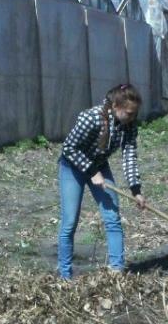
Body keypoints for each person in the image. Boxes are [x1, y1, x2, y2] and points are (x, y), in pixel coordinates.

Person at [57, 83, 147, 279]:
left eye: (134, 113)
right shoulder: (91, 118)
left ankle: (117, 271)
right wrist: (91, 172)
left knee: (112, 218)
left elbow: (129, 155)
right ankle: (65, 276)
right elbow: (69, 148)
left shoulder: (129, 124)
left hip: (98, 166)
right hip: (72, 167)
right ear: (115, 106)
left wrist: (135, 189)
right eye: (129, 113)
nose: (133, 117)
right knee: (69, 222)